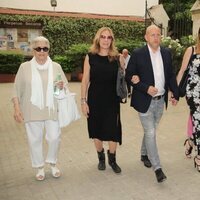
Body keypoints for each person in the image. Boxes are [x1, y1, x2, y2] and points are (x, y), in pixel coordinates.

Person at [125, 25, 179, 183]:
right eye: (152, 35)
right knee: (150, 132)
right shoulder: (138, 54)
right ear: (146, 37)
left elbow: (170, 75)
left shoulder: (166, 53)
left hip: (160, 101)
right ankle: (158, 168)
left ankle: (144, 153)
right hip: (144, 100)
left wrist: (175, 93)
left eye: (158, 35)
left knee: (151, 130)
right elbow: (129, 76)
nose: (156, 37)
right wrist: (145, 87)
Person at [12, 36, 68, 181]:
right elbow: (16, 90)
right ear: (33, 50)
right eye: (38, 48)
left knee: (54, 137)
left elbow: (59, 91)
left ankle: (52, 163)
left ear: (48, 50)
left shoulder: (56, 67)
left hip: (51, 110)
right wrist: (17, 109)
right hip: (31, 110)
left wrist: (60, 87)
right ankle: (39, 167)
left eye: (45, 48)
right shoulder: (24, 68)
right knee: (34, 140)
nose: (42, 51)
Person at [81, 27, 125, 174]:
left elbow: (124, 78)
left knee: (113, 130)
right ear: (97, 39)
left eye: (109, 37)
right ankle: (101, 158)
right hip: (94, 99)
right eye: (103, 37)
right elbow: (85, 80)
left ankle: (112, 159)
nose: (106, 40)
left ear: (112, 40)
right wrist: (83, 101)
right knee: (96, 130)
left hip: (112, 100)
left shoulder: (118, 58)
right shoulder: (90, 57)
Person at [177, 27, 200, 172]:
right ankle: (199, 157)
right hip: (194, 93)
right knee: (198, 121)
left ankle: (190, 142)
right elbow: (181, 71)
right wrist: (174, 92)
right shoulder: (191, 50)